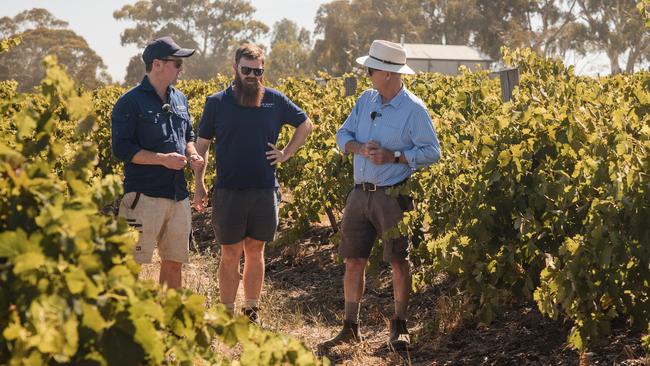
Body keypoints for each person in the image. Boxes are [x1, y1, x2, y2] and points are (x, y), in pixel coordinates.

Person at [321, 40, 441, 350]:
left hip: (392, 197)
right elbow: (341, 135)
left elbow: (432, 152)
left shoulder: (414, 109)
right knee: (353, 261)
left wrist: (395, 157)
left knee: (399, 261)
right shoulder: (365, 100)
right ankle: (350, 327)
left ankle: (399, 327)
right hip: (360, 195)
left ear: (387, 73)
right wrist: (358, 148)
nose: (367, 73)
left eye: (371, 69)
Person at [193, 44, 313, 323]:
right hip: (228, 190)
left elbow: (305, 124)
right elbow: (202, 146)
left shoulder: (274, 100)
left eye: (257, 71)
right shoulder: (217, 102)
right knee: (230, 252)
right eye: (246, 70)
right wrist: (199, 183)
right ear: (235, 68)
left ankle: (251, 312)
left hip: (264, 189)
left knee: (256, 250)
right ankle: (225, 313)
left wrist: (286, 153)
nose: (252, 76)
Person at [111, 36, 204, 289]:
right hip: (143, 197)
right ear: (157, 64)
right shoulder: (129, 102)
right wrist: (162, 160)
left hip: (178, 197)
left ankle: (170, 324)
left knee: (174, 263)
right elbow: (122, 149)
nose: (181, 69)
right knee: (131, 264)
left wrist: (192, 153)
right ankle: (125, 325)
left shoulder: (180, 99)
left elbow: (188, 136)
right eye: (176, 63)